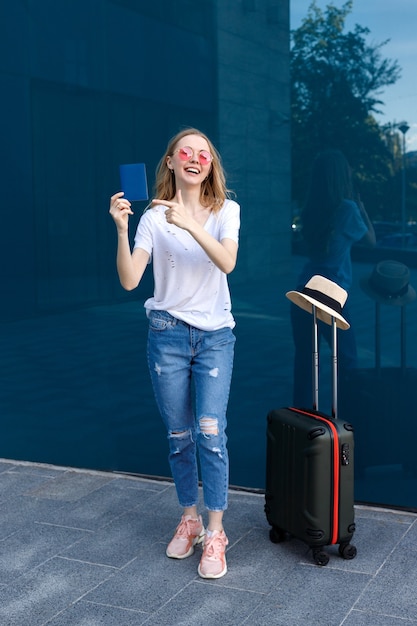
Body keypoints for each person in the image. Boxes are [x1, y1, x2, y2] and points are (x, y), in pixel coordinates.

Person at [109, 128, 240, 579]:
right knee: (180, 436)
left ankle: (216, 532)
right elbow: (130, 280)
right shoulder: (151, 218)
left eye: (203, 153)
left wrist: (189, 224)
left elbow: (227, 262)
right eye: (186, 151)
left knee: (210, 432)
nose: (195, 157)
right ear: (170, 162)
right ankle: (190, 519)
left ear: (210, 165)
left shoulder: (226, 210)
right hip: (165, 334)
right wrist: (124, 228)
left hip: (215, 337)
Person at [290, 149, 375, 408]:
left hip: (304, 287)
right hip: (331, 291)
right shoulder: (347, 209)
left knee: (305, 362)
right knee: (347, 360)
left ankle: (302, 424)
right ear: (340, 175)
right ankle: (349, 418)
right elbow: (371, 241)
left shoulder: (311, 210)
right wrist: (361, 208)